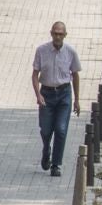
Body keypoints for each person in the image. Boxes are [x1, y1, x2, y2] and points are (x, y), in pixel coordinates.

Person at [31, 22, 82, 177]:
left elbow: (75, 75)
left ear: (65, 35)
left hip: (64, 94)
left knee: (61, 129)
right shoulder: (41, 51)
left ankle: (56, 164)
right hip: (46, 93)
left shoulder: (70, 52)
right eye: (55, 33)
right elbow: (35, 74)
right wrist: (38, 95)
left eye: (61, 34)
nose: (58, 36)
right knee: (46, 130)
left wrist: (77, 99)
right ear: (51, 34)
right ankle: (46, 149)